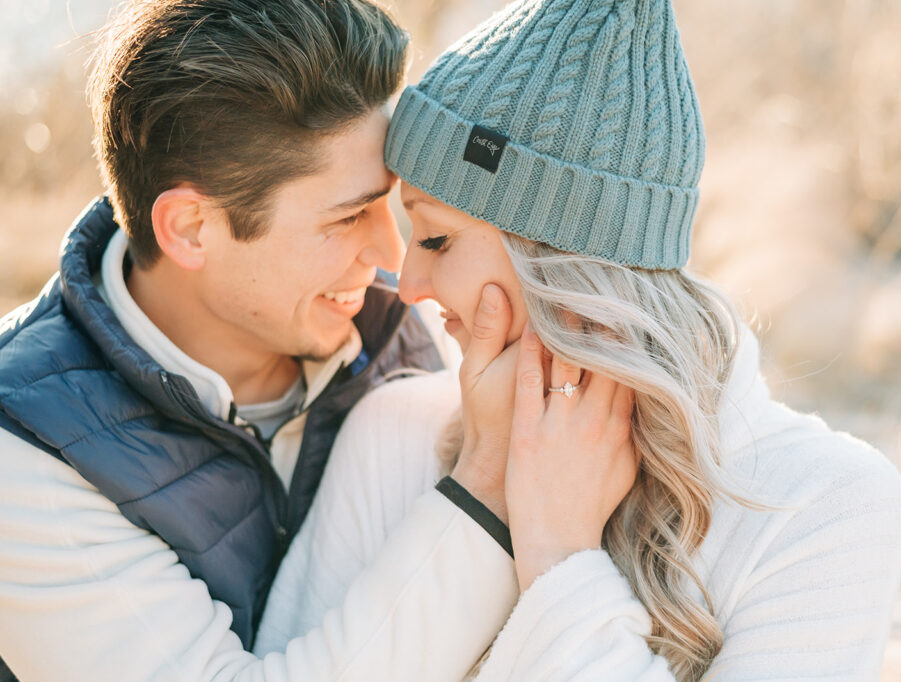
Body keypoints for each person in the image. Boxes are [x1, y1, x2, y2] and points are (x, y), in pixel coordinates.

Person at [259, 0, 901, 679]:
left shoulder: (826, 504)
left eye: (436, 238)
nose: (410, 285)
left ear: (564, 258)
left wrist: (561, 558)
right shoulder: (391, 436)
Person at [0, 1, 534, 680]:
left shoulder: (405, 321)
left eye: (390, 204)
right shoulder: (24, 452)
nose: (391, 252)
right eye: (347, 218)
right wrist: (483, 482)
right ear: (191, 228)